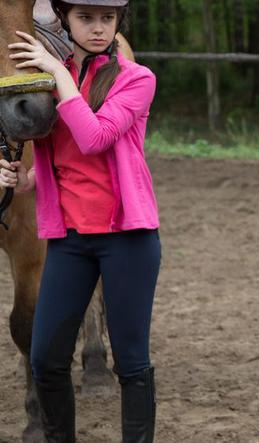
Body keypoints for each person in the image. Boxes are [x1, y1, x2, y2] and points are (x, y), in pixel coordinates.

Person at [1, 0, 160, 441]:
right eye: (85, 18)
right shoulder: (50, 82)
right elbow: (58, 158)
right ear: (65, 21)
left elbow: (92, 138)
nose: (97, 29)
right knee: (47, 360)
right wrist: (20, 177)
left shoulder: (136, 77)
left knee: (131, 363)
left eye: (107, 19)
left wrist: (57, 73)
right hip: (70, 238)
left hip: (125, 237)